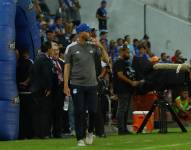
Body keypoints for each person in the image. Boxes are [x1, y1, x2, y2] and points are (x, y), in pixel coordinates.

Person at [64, 23, 109, 146]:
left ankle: (90, 131)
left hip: (92, 84)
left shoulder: (93, 47)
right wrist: (65, 85)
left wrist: (101, 46)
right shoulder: (71, 47)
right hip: (76, 84)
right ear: (80, 33)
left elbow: (106, 60)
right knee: (79, 111)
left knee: (93, 111)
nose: (90, 33)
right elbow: (67, 67)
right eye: (87, 31)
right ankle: (80, 138)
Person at [113, 47, 140, 135]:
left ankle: (124, 128)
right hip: (122, 89)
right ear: (122, 52)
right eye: (127, 52)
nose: (129, 54)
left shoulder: (125, 63)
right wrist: (131, 82)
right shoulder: (119, 62)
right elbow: (120, 75)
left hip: (127, 89)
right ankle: (121, 129)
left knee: (125, 110)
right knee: (122, 109)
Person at [30, 42, 54, 139]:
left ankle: (37, 133)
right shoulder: (45, 60)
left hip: (35, 88)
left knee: (37, 112)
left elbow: (31, 73)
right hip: (42, 90)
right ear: (48, 49)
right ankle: (43, 133)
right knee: (44, 112)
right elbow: (47, 75)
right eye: (51, 49)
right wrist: (48, 88)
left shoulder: (36, 58)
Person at [17, 49, 33, 139]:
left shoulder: (16, 64)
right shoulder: (28, 63)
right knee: (27, 115)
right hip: (27, 92)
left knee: (22, 115)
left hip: (19, 92)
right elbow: (32, 75)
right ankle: (28, 134)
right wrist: (26, 82)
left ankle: (22, 135)